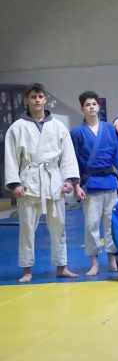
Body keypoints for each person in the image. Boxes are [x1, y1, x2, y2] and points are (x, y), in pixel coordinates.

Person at [4, 83, 80, 283]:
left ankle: (62, 266)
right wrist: (15, 183)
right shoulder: (17, 127)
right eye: (33, 97)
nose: (37, 100)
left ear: (45, 99)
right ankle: (27, 269)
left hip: (53, 180)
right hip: (28, 181)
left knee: (59, 227)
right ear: (26, 100)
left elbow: (68, 156)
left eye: (40, 97)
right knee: (27, 228)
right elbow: (11, 157)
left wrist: (69, 180)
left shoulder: (58, 126)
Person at [70, 90, 118, 276]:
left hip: (110, 182)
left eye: (94, 104)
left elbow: (117, 152)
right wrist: (76, 184)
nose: (91, 107)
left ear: (99, 107)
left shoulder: (109, 128)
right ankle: (94, 262)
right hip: (90, 183)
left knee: (112, 222)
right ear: (82, 108)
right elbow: (73, 160)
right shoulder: (76, 132)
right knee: (91, 225)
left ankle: (112, 259)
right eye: (87, 105)